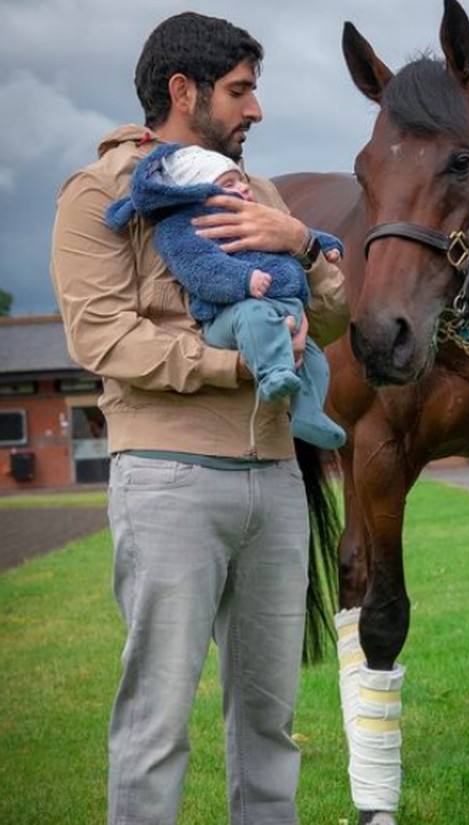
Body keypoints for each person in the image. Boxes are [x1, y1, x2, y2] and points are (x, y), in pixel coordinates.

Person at [50, 11, 349, 825]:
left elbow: (329, 320)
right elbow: (106, 337)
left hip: (277, 484)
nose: (256, 110)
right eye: (240, 91)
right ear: (184, 93)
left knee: (269, 721)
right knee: (156, 721)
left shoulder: (264, 196)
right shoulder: (100, 194)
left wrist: (303, 243)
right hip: (170, 483)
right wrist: (236, 366)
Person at [105, 142, 347, 451]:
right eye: (228, 184)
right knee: (254, 318)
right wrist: (244, 280)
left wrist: (322, 244)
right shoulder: (183, 227)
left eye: (241, 181)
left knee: (315, 358)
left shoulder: (256, 213)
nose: (243, 188)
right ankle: (274, 375)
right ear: (198, 191)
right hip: (232, 313)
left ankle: (310, 414)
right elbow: (202, 270)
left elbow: (300, 233)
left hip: (282, 308)